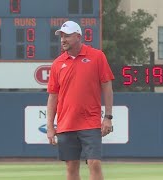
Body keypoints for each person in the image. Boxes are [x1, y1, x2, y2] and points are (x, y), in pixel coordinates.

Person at [46, 20, 115, 180]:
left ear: (78, 36)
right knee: (71, 167)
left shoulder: (97, 56)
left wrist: (108, 117)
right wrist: (50, 126)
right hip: (66, 123)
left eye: (67, 36)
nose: (63, 39)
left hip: (90, 121)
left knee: (94, 163)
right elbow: (53, 97)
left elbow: (107, 87)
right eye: (61, 36)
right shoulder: (57, 64)